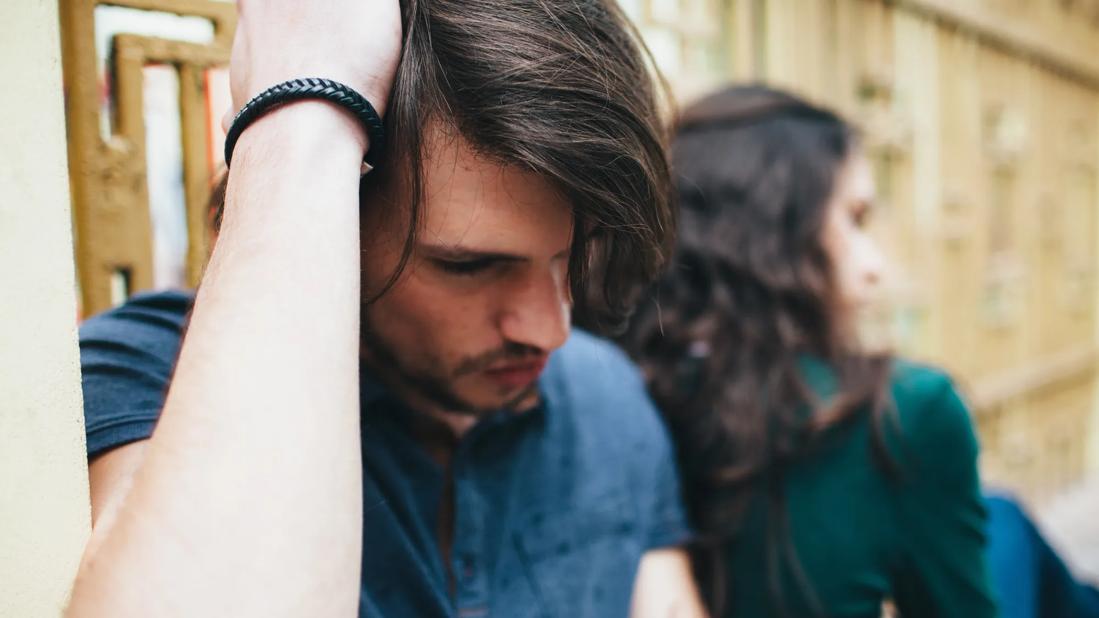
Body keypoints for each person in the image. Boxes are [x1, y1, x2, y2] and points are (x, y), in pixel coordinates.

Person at [67, 1, 705, 616]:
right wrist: (304, 113)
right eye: (469, 265)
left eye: (574, 255)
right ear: (341, 208)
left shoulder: (607, 396)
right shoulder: (144, 377)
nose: (550, 328)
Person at [620, 85, 998, 617]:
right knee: (1020, 538)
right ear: (775, 237)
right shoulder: (906, 413)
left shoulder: (616, 389)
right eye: (854, 218)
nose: (875, 267)